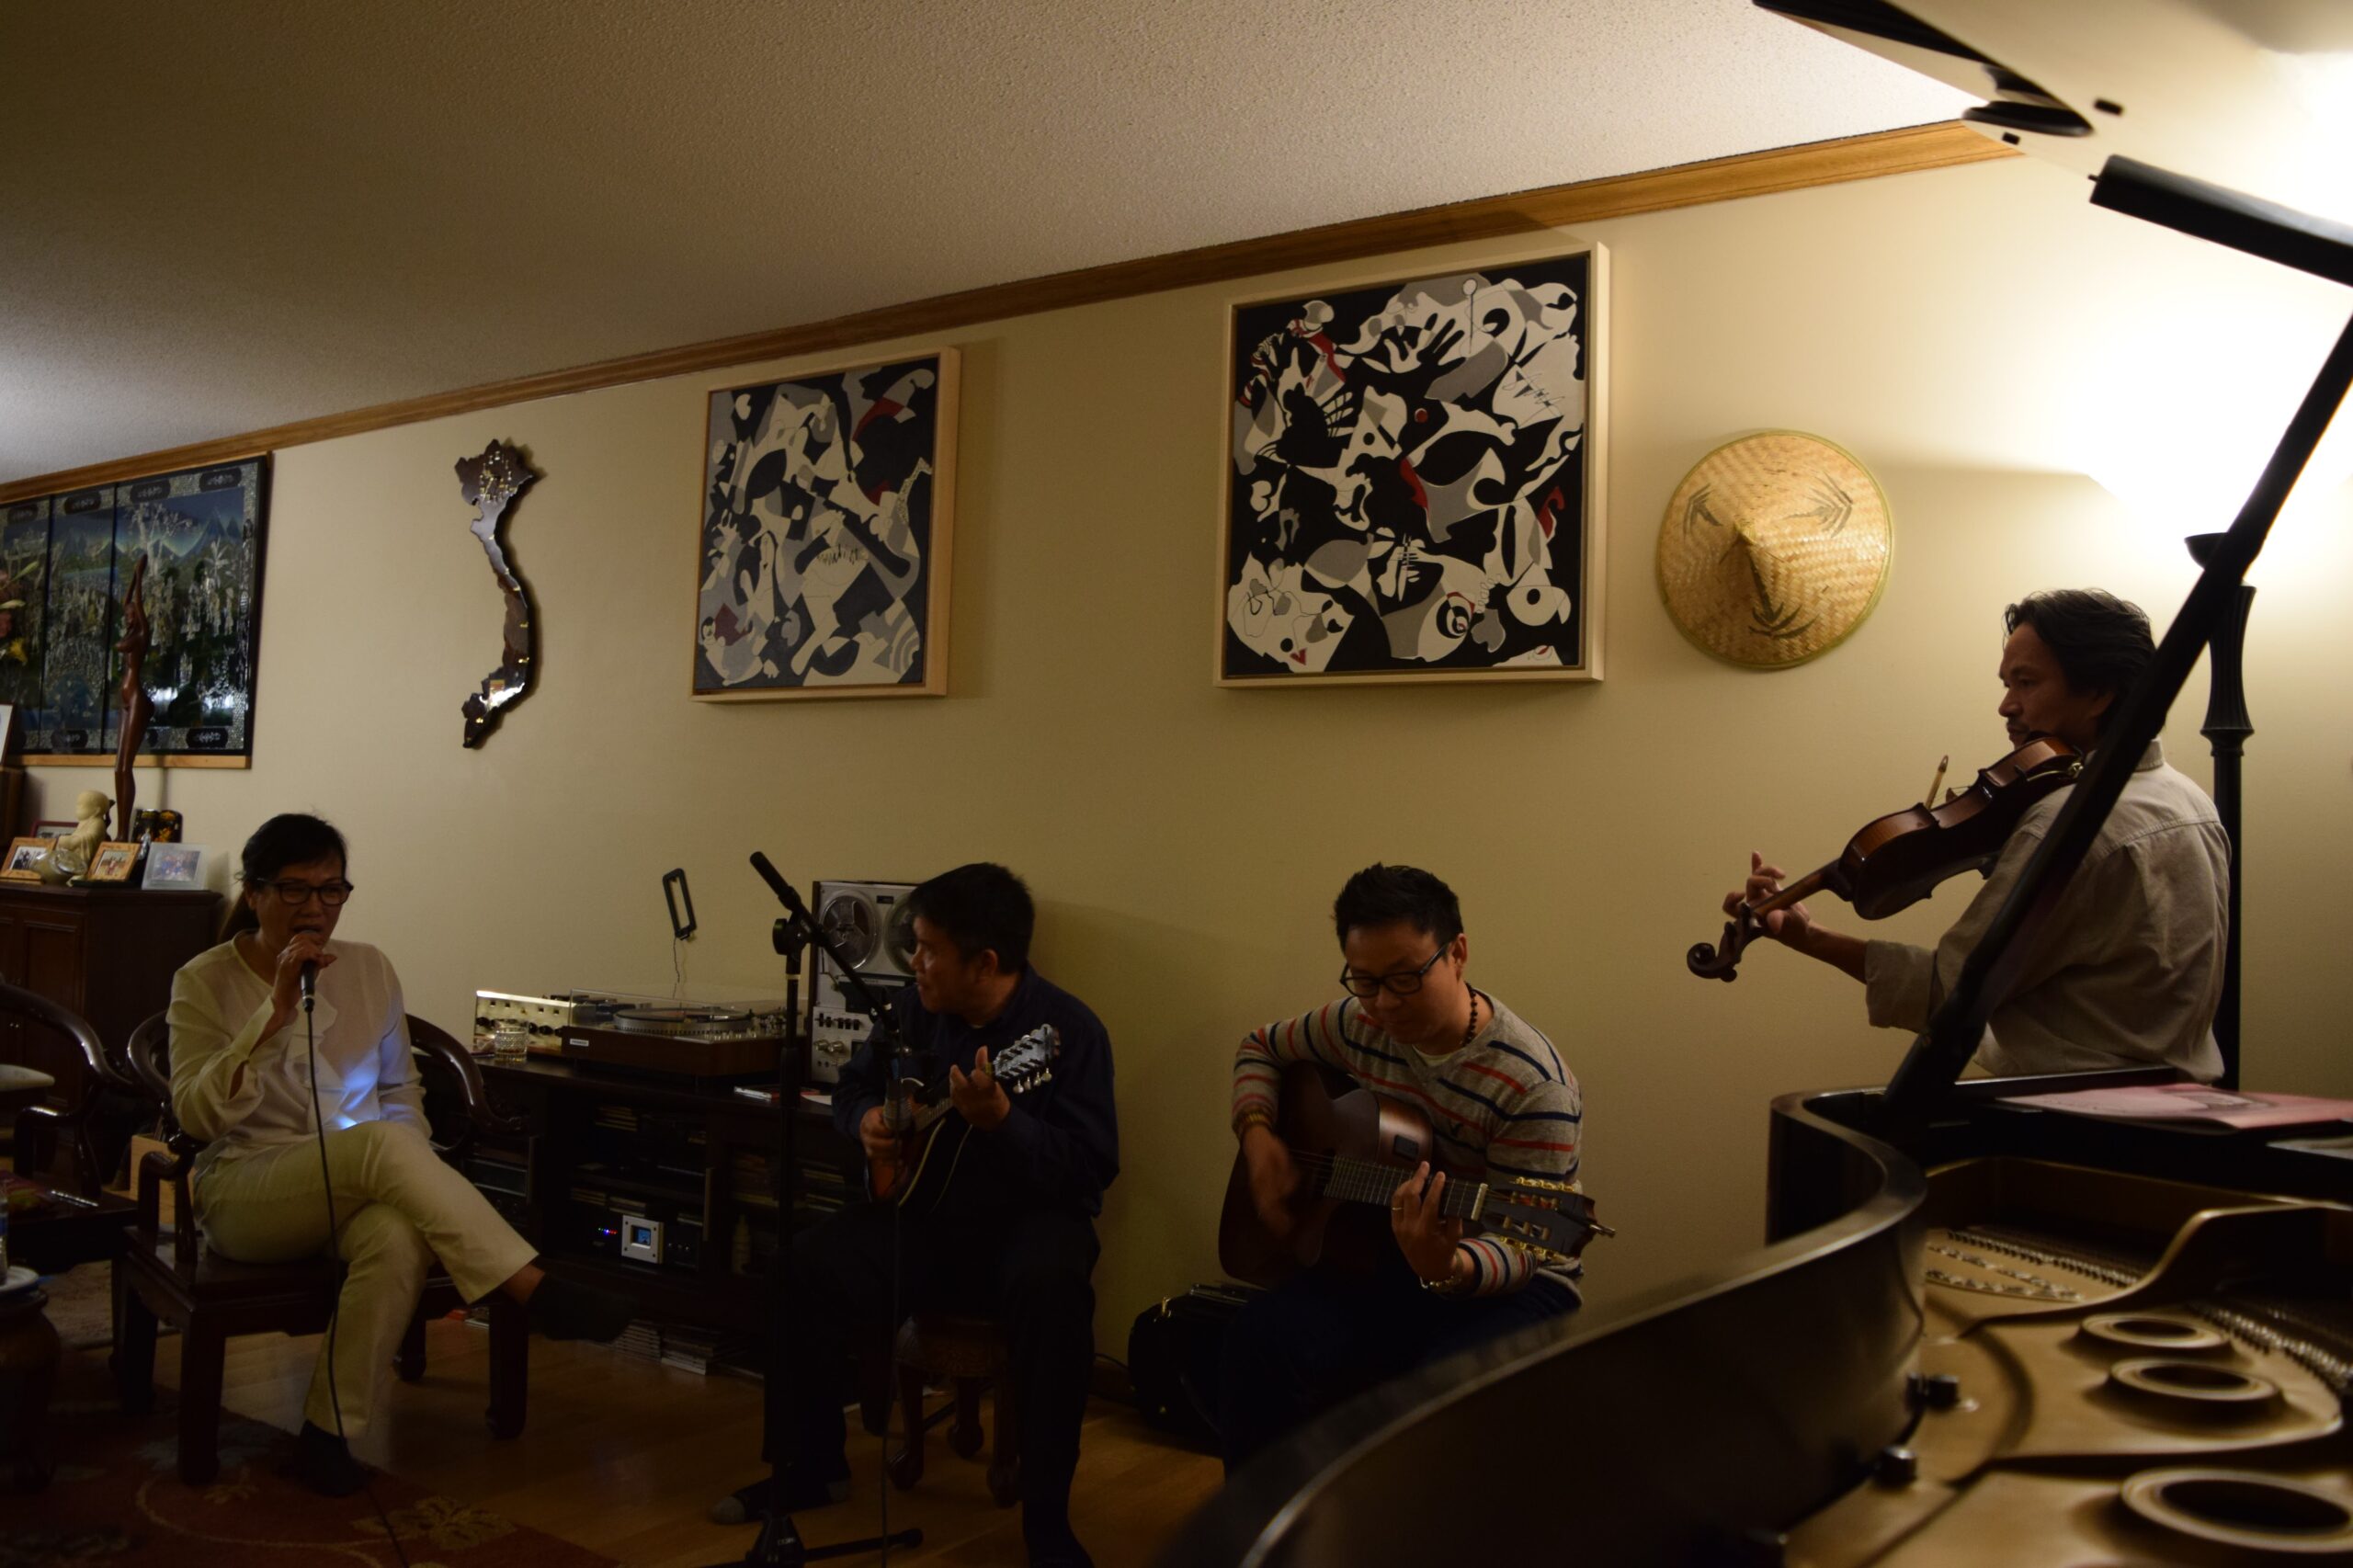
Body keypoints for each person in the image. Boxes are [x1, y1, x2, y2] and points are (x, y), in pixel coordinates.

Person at [168, 813, 635, 1496]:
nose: (316, 908)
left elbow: (398, 1090)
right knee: (381, 1144)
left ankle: (327, 1434)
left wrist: (407, 1185)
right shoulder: (203, 980)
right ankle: (532, 1288)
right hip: (245, 1192)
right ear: (255, 892)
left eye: (332, 890)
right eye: (296, 889)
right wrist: (272, 1014)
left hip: (356, 1186)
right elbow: (196, 1116)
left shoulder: (369, 969)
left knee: (394, 1235)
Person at [714, 862, 1118, 1568]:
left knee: (1054, 1294)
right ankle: (811, 1467)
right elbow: (853, 1088)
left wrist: (1005, 1122)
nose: (914, 962)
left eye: (929, 950)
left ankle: (1047, 1521)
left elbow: (1091, 1168)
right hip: (925, 1213)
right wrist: (867, 1120)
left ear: (984, 962)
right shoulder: (912, 1010)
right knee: (801, 1268)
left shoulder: (1067, 1033)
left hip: (1030, 1223)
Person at [1729, 588, 2228, 1080]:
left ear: (2099, 692)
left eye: (2026, 683)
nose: (2006, 706)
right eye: (2007, 684)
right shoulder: (2192, 802)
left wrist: (1811, 939)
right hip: (2177, 1104)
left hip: (2076, 1111)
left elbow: (1949, 991)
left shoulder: (2067, 825)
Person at [1220, 863, 1584, 1468]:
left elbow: (1527, 1243)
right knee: (1256, 1341)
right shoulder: (1356, 1022)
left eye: (1406, 978)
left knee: (1433, 1403)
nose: (1384, 1003)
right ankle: (1264, 1524)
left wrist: (1447, 1266)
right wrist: (1258, 1134)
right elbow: (1259, 1048)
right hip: (1384, 1246)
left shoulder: (1533, 1085)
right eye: (1364, 980)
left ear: (1457, 953)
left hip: (1515, 1280)